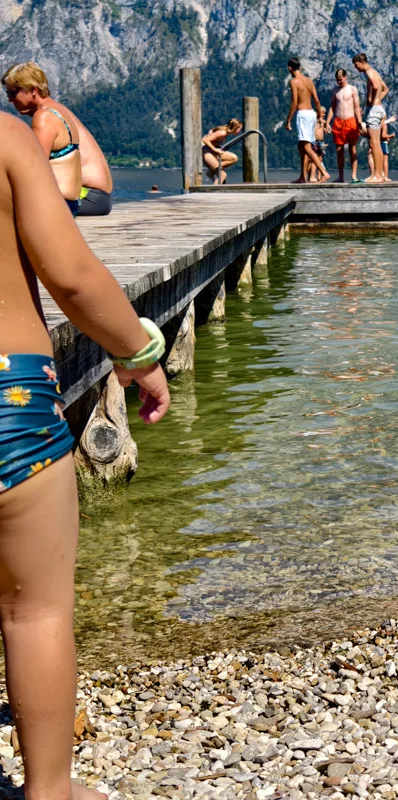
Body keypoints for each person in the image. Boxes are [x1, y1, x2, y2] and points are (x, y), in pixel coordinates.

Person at [0, 111, 170, 800]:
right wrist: (139, 352)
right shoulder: (7, 139)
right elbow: (71, 275)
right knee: (34, 613)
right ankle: (49, 792)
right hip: (7, 397)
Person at [2, 62, 114, 217]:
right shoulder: (59, 111)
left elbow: (34, 167)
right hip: (95, 197)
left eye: (13, 93)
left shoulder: (44, 117)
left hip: (89, 196)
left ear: (33, 90)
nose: (10, 100)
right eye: (8, 94)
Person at [285, 57, 329, 184]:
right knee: (302, 147)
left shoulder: (294, 82)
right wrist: (320, 115)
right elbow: (316, 100)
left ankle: (324, 172)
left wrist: (288, 120)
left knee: (307, 147)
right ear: (299, 67)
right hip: (312, 113)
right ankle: (303, 177)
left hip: (303, 114)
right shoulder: (309, 81)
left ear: (290, 68)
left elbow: (294, 102)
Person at [351, 53, 389, 183]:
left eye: (357, 66)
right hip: (377, 109)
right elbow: (385, 89)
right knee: (375, 144)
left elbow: (377, 87)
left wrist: (372, 101)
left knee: (374, 144)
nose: (357, 69)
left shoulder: (369, 72)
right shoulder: (375, 72)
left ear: (361, 62)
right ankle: (378, 175)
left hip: (374, 110)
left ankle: (377, 175)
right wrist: (377, 100)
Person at [327, 69, 362, 183]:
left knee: (352, 148)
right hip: (338, 121)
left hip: (350, 120)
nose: (339, 81)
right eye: (337, 79)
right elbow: (332, 107)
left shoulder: (352, 89)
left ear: (346, 77)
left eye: (341, 79)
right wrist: (328, 122)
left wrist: (360, 122)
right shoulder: (334, 91)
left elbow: (357, 107)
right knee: (339, 149)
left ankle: (354, 175)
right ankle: (341, 176)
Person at [201, 119, 241, 185]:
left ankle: (211, 171)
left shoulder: (225, 131)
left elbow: (211, 130)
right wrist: (215, 149)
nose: (240, 131)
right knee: (222, 175)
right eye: (239, 129)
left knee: (234, 158)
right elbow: (205, 140)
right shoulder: (222, 132)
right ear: (235, 128)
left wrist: (211, 134)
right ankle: (213, 193)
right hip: (205, 150)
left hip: (211, 150)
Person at [307, 108, 330, 183]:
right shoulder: (314, 121)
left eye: (324, 113)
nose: (323, 115)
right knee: (315, 159)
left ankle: (320, 176)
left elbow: (327, 130)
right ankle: (312, 176)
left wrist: (327, 128)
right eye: (322, 113)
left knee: (320, 160)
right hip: (314, 141)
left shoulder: (323, 122)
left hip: (321, 142)